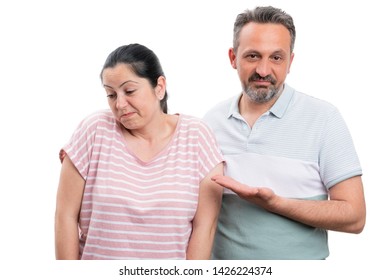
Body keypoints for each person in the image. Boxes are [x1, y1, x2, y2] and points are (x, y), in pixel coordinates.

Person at [203, 6, 366, 259]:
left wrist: (275, 203)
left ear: (290, 61)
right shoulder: (211, 122)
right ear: (233, 58)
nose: (264, 70)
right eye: (253, 56)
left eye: (276, 58)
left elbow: (355, 218)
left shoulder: (324, 119)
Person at [55, 43, 224, 260]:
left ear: (159, 86)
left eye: (129, 91)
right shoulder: (93, 130)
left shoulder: (197, 136)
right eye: (111, 95)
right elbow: (65, 216)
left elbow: (205, 227)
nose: (120, 104)